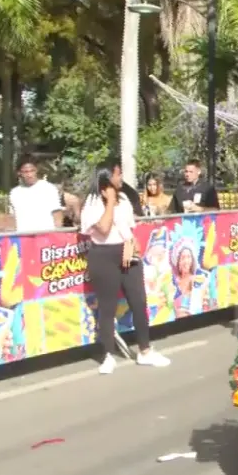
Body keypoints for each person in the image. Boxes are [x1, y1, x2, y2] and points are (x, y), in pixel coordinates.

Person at [79, 160, 171, 374]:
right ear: (107, 177)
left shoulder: (125, 199)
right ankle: (108, 355)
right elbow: (103, 228)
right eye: (118, 175)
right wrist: (109, 201)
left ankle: (145, 350)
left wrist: (131, 244)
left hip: (127, 252)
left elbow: (128, 226)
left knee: (138, 300)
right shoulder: (92, 202)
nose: (121, 179)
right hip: (103, 255)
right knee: (107, 307)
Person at [9, 156, 65, 232]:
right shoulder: (14, 193)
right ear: (19, 173)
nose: (29, 175)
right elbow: (13, 218)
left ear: (36, 170)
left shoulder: (48, 188)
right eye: (25, 172)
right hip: (23, 237)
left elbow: (57, 214)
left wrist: (57, 234)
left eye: (32, 171)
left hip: (46, 236)